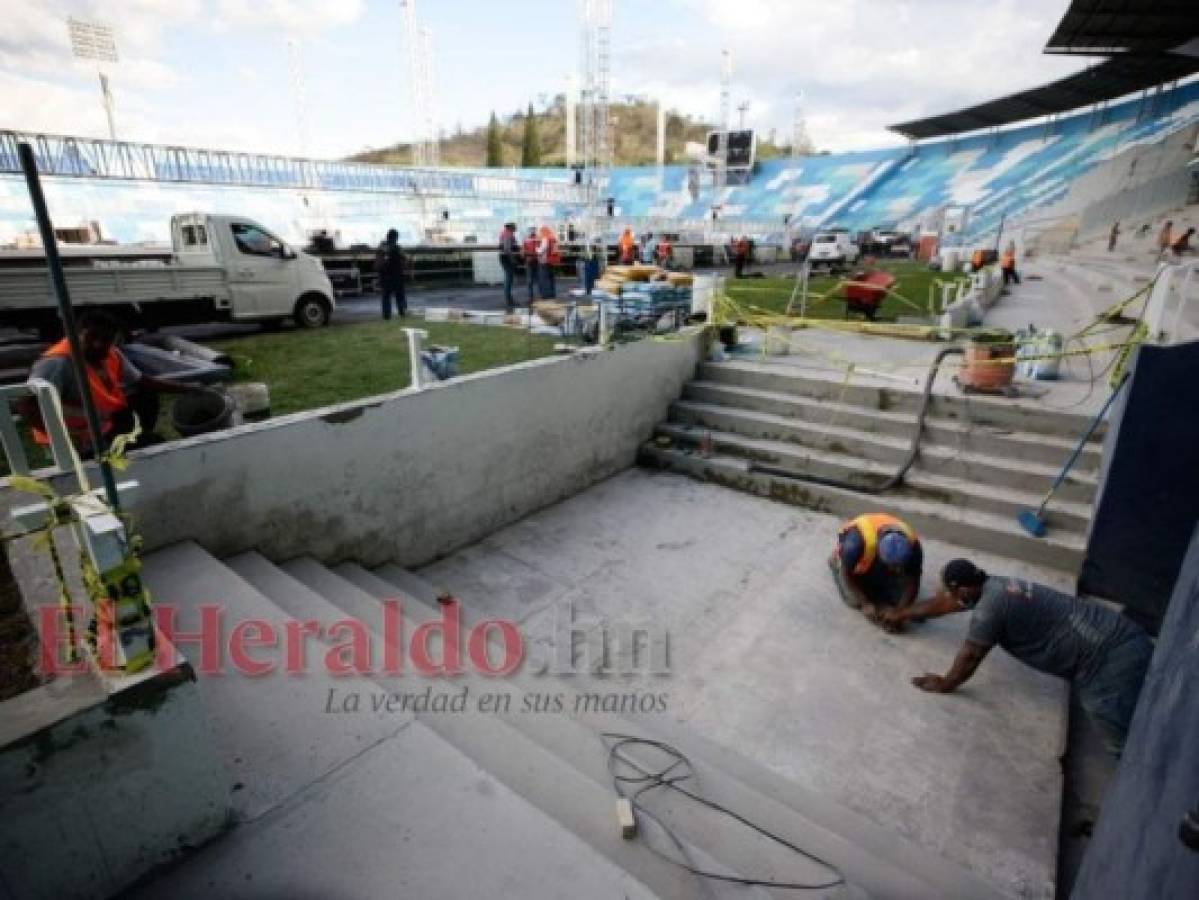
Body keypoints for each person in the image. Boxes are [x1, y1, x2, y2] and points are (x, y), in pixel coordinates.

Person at [887, 559, 1154, 755]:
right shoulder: (994, 585)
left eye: (951, 591)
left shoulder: (991, 609)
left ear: (964, 590)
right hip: (1120, 632)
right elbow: (945, 604)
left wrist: (945, 684)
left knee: (1116, 730)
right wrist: (902, 613)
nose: (949, 597)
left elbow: (970, 655)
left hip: (1105, 659)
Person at [22, 310, 202, 456]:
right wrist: (64, 437)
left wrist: (187, 388)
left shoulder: (111, 354)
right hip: (76, 440)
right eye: (91, 337)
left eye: (106, 339)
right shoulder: (57, 363)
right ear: (76, 335)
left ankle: (133, 438)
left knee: (145, 395)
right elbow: (27, 406)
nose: (98, 344)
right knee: (154, 447)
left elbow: (142, 380)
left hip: (104, 423)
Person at [828, 513, 922, 628]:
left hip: (876, 555)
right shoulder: (855, 545)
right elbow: (846, 573)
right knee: (853, 600)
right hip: (851, 551)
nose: (896, 570)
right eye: (892, 565)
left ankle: (878, 594)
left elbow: (913, 581)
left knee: (899, 597)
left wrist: (900, 612)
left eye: (898, 566)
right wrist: (865, 603)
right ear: (879, 552)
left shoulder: (914, 547)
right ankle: (835, 561)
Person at [375, 229, 407, 320]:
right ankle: (401, 311)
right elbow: (404, 258)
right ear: (395, 238)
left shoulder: (382, 247)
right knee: (399, 295)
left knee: (386, 296)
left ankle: (386, 315)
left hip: (385, 276)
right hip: (396, 276)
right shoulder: (397, 248)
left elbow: (378, 261)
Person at [498, 222, 519, 312]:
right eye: (514, 226)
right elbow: (507, 249)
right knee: (509, 278)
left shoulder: (505, 233)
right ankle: (509, 300)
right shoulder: (508, 234)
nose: (516, 227)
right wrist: (513, 259)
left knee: (509, 277)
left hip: (505, 257)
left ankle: (509, 299)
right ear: (510, 227)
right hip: (506, 258)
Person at [537, 226, 559, 299]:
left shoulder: (545, 238)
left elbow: (543, 249)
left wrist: (537, 249)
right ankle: (552, 293)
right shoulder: (553, 238)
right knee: (551, 278)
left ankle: (546, 295)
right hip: (552, 261)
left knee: (544, 278)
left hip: (545, 260)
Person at [522, 227, 540, 302]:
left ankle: (531, 297)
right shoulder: (538, 239)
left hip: (530, 261)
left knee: (530, 280)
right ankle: (539, 296)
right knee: (538, 279)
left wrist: (526, 256)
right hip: (536, 260)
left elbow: (523, 252)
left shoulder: (526, 239)